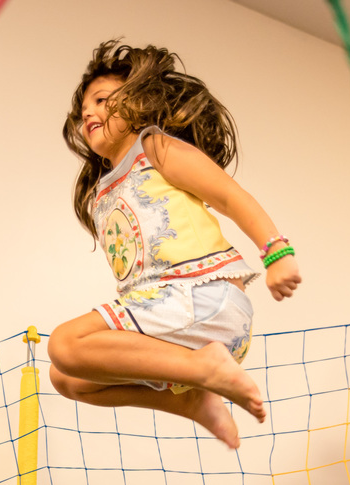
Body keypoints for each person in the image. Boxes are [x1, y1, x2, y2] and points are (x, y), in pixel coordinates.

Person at [46, 40, 302, 449]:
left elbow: (229, 196)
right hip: (170, 311)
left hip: (205, 300)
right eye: (82, 112)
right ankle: (191, 402)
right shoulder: (102, 193)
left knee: (65, 343)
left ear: (138, 102)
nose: (88, 113)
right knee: (67, 377)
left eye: (101, 100)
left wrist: (277, 253)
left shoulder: (155, 148)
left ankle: (202, 367)